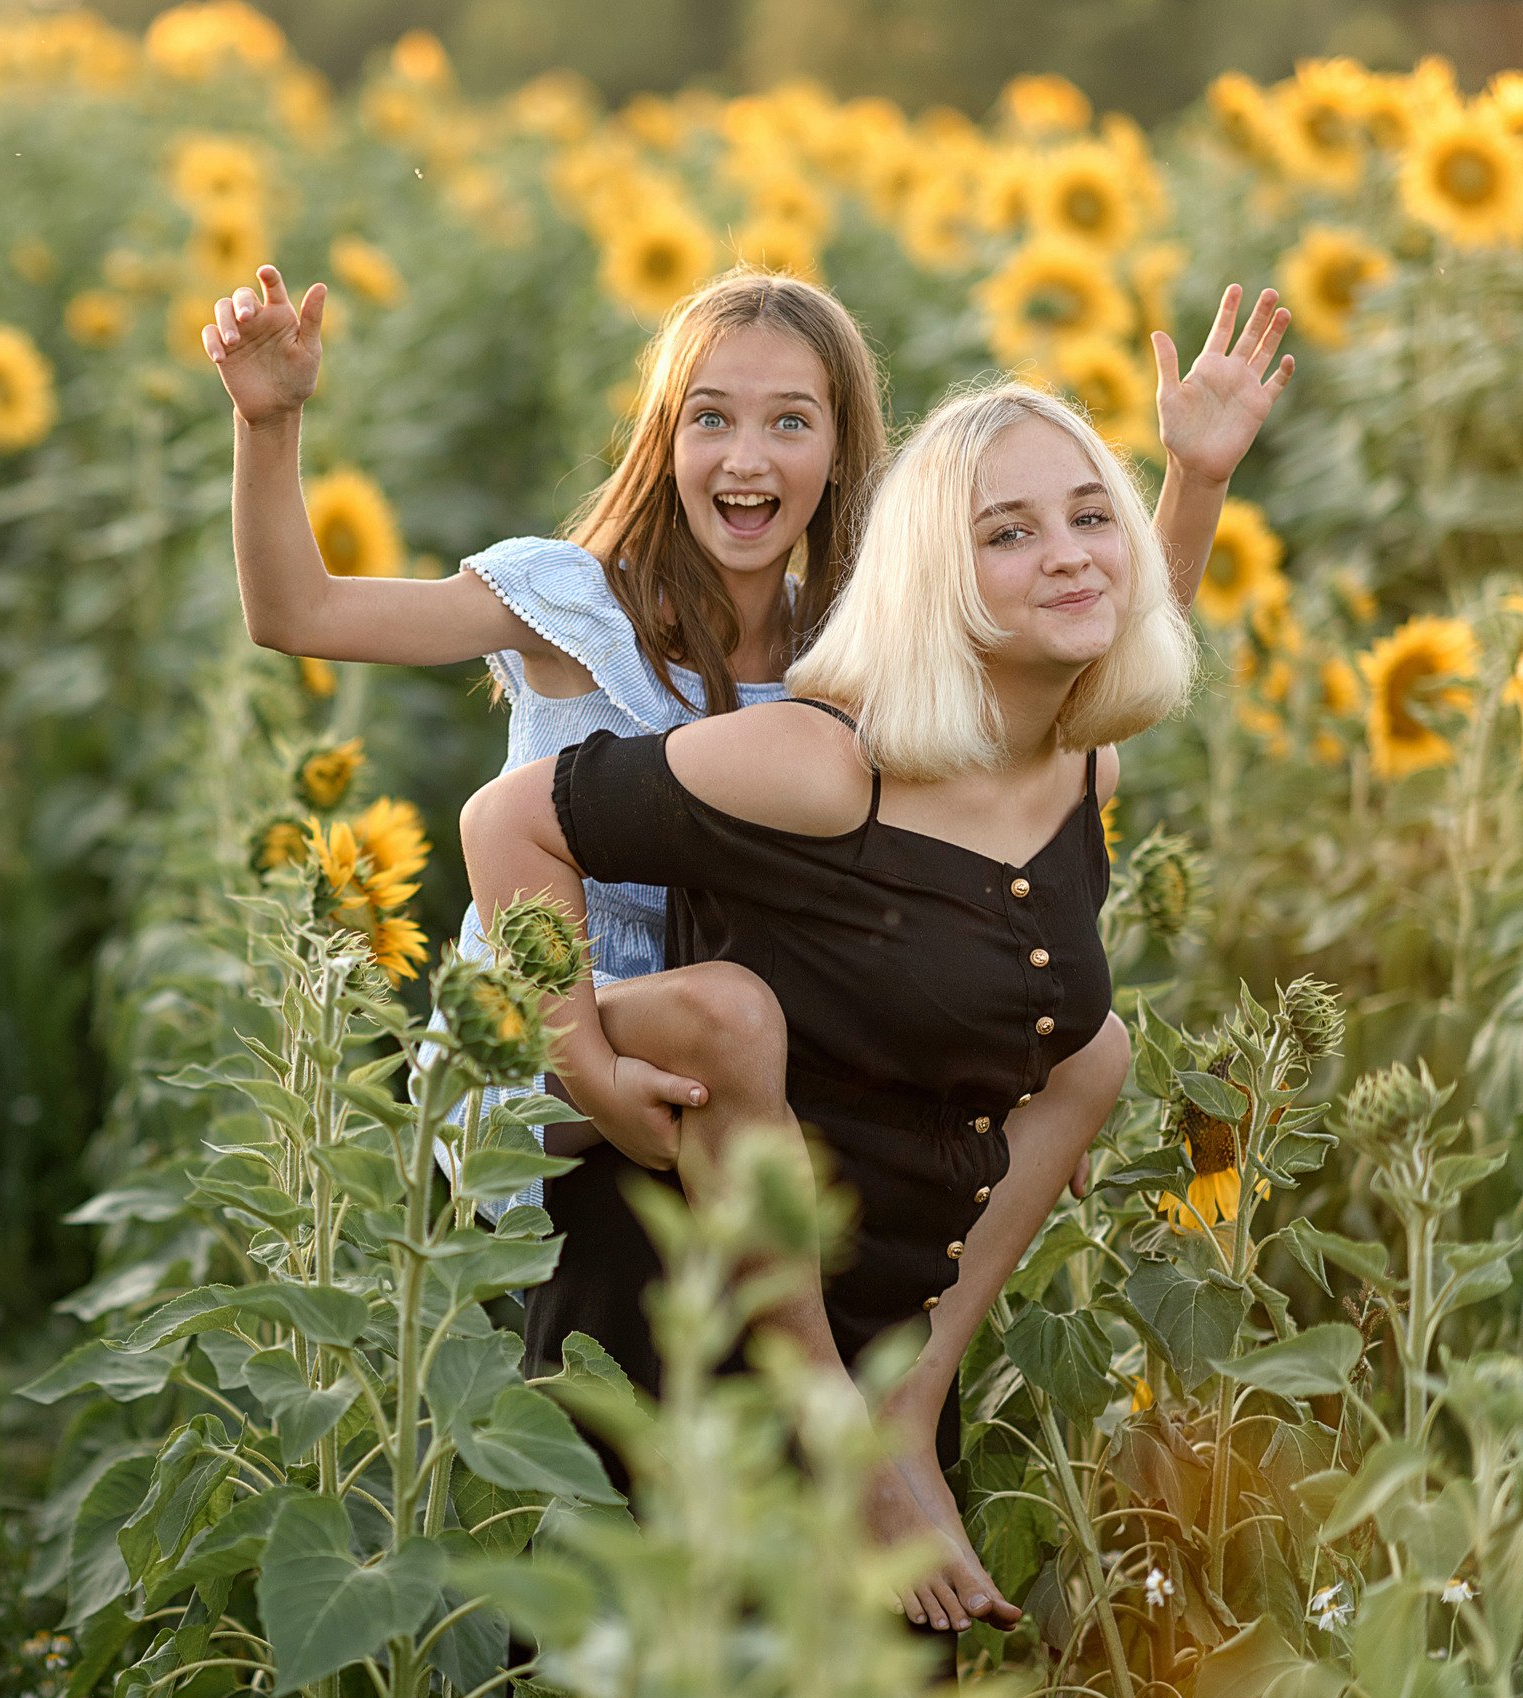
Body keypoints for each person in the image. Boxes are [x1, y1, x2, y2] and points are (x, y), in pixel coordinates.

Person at [202, 264, 1290, 1189]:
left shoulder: (857, 642)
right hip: (545, 1041)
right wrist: (269, 422)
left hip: (755, 1046)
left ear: (838, 449)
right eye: (710, 417)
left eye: (789, 422)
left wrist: (1195, 477)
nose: (746, 457)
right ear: (666, 439)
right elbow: (299, 613)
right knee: (736, 1013)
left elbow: (1087, 662)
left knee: (1039, 1038)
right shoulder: (577, 604)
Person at [461, 383, 1204, 1642]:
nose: (1068, 552)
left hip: (884, 1308)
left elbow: (1051, 1022)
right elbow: (507, 817)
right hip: (694, 1307)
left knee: (1099, 1046)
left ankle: (896, 1414)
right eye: (1006, 531)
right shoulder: (825, 765)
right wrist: (580, 1055)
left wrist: (1198, 472)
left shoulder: (1080, 763)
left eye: (1092, 515)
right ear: (935, 573)